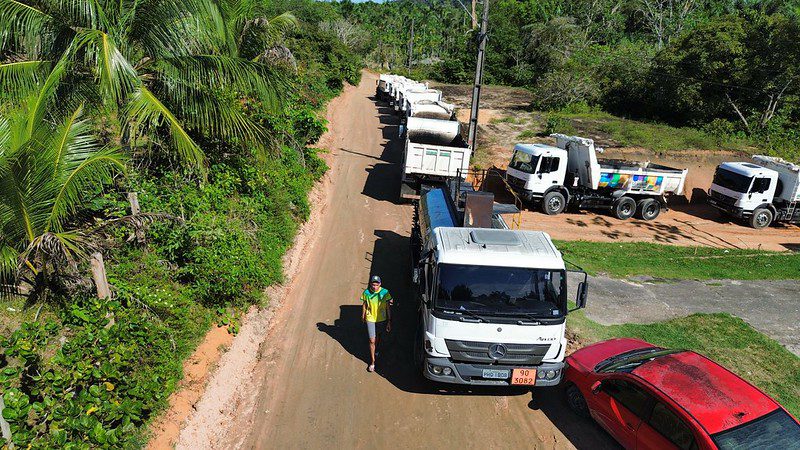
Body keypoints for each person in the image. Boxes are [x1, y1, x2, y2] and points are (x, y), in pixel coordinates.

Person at [361, 275, 392, 372]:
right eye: (373, 285)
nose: (374, 287)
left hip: (381, 319)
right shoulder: (366, 293)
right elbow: (365, 304)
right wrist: (363, 315)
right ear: (370, 284)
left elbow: (388, 307)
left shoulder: (385, 292)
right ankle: (373, 362)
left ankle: (376, 349)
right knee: (371, 340)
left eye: (376, 285)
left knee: (378, 336)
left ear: (380, 284)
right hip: (370, 318)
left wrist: (389, 321)